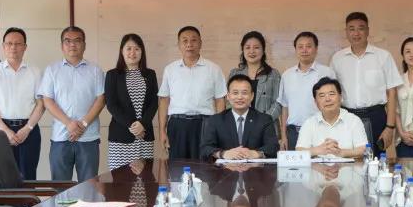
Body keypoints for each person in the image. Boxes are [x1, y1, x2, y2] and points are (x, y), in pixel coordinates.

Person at [330, 12, 404, 157]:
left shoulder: (383, 56)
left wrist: (390, 127)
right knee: (347, 159)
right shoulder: (337, 59)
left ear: (368, 31)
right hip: (347, 116)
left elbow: (392, 93)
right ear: (346, 32)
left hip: (376, 117)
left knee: (375, 161)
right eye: (351, 29)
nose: (356, 33)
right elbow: (332, 91)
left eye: (361, 28)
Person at [37, 26, 106, 182]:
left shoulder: (95, 70)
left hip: (88, 138)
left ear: (84, 45)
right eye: (67, 41)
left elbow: (101, 99)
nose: (72, 44)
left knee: (89, 187)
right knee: (60, 187)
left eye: (77, 41)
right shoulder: (52, 70)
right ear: (62, 45)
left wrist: (83, 124)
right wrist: (69, 123)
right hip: (61, 138)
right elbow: (47, 100)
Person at [0, 27, 45, 181]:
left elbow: (41, 104)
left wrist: (27, 129)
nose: (13, 47)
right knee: (2, 177)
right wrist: (6, 131)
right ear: (3, 46)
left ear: (25, 47)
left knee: (28, 177)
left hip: (29, 129)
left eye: (18, 43)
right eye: (9, 43)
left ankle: (28, 200)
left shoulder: (35, 72)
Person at [157, 26, 226, 160]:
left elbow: (220, 100)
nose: (189, 44)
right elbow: (164, 101)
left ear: (200, 43)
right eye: (185, 41)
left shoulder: (214, 69)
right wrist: (162, 131)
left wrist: (218, 129)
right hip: (177, 125)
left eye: (194, 40)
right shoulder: (170, 70)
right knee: (178, 167)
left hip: (205, 124)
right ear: (179, 45)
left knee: (205, 167)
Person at [104, 33, 159, 171]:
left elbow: (154, 103)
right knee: (119, 179)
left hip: (144, 135)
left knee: (145, 179)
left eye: (137, 49)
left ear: (142, 52)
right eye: (128, 48)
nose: (132, 52)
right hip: (121, 137)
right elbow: (111, 104)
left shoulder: (150, 74)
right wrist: (133, 126)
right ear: (122, 51)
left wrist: (143, 124)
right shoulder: (112, 75)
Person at [201, 74, 281, 161]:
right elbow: (205, 148)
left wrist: (256, 153)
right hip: (224, 168)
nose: (239, 97)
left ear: (252, 96)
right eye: (235, 93)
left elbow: (273, 147)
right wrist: (223, 153)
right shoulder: (216, 120)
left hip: (255, 168)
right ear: (228, 96)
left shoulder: (264, 120)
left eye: (244, 93)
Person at [278, 31, 336, 150]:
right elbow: (284, 108)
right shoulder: (287, 75)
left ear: (316, 49)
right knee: (295, 162)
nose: (304, 50)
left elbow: (335, 104)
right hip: (293, 133)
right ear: (295, 50)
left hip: (320, 131)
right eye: (300, 47)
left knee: (322, 162)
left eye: (308, 46)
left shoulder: (327, 72)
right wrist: (284, 136)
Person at [295, 77, 368, 159]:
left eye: (331, 94)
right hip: (318, 167)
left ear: (340, 97)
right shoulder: (309, 123)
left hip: (348, 166)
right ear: (316, 102)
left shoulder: (354, 120)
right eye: (322, 96)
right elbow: (299, 151)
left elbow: (364, 149)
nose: (327, 99)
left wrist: (341, 152)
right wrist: (318, 150)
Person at [228, 31, 282, 134]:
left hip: (267, 126)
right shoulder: (234, 73)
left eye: (256, 47)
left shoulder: (273, 74)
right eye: (247, 47)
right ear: (243, 50)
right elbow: (229, 101)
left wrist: (263, 120)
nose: (252, 51)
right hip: (239, 126)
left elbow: (278, 102)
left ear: (263, 50)